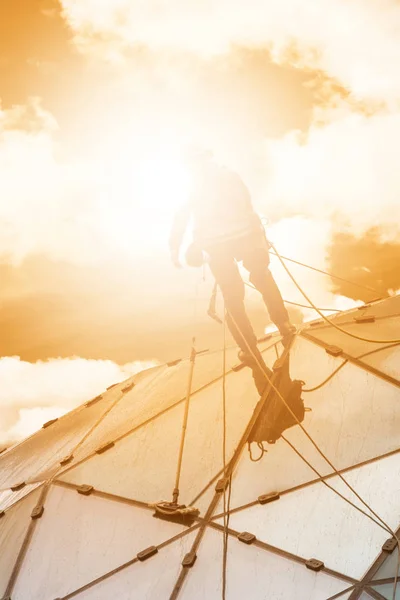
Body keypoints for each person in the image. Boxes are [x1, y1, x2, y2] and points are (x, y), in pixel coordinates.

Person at [169, 147, 295, 374]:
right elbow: (247, 206)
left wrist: (175, 248)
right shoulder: (228, 175)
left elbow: (181, 216)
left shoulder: (194, 185)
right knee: (262, 278)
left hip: (217, 245)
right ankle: (284, 325)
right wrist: (259, 238)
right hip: (246, 236)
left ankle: (248, 348)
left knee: (232, 297)